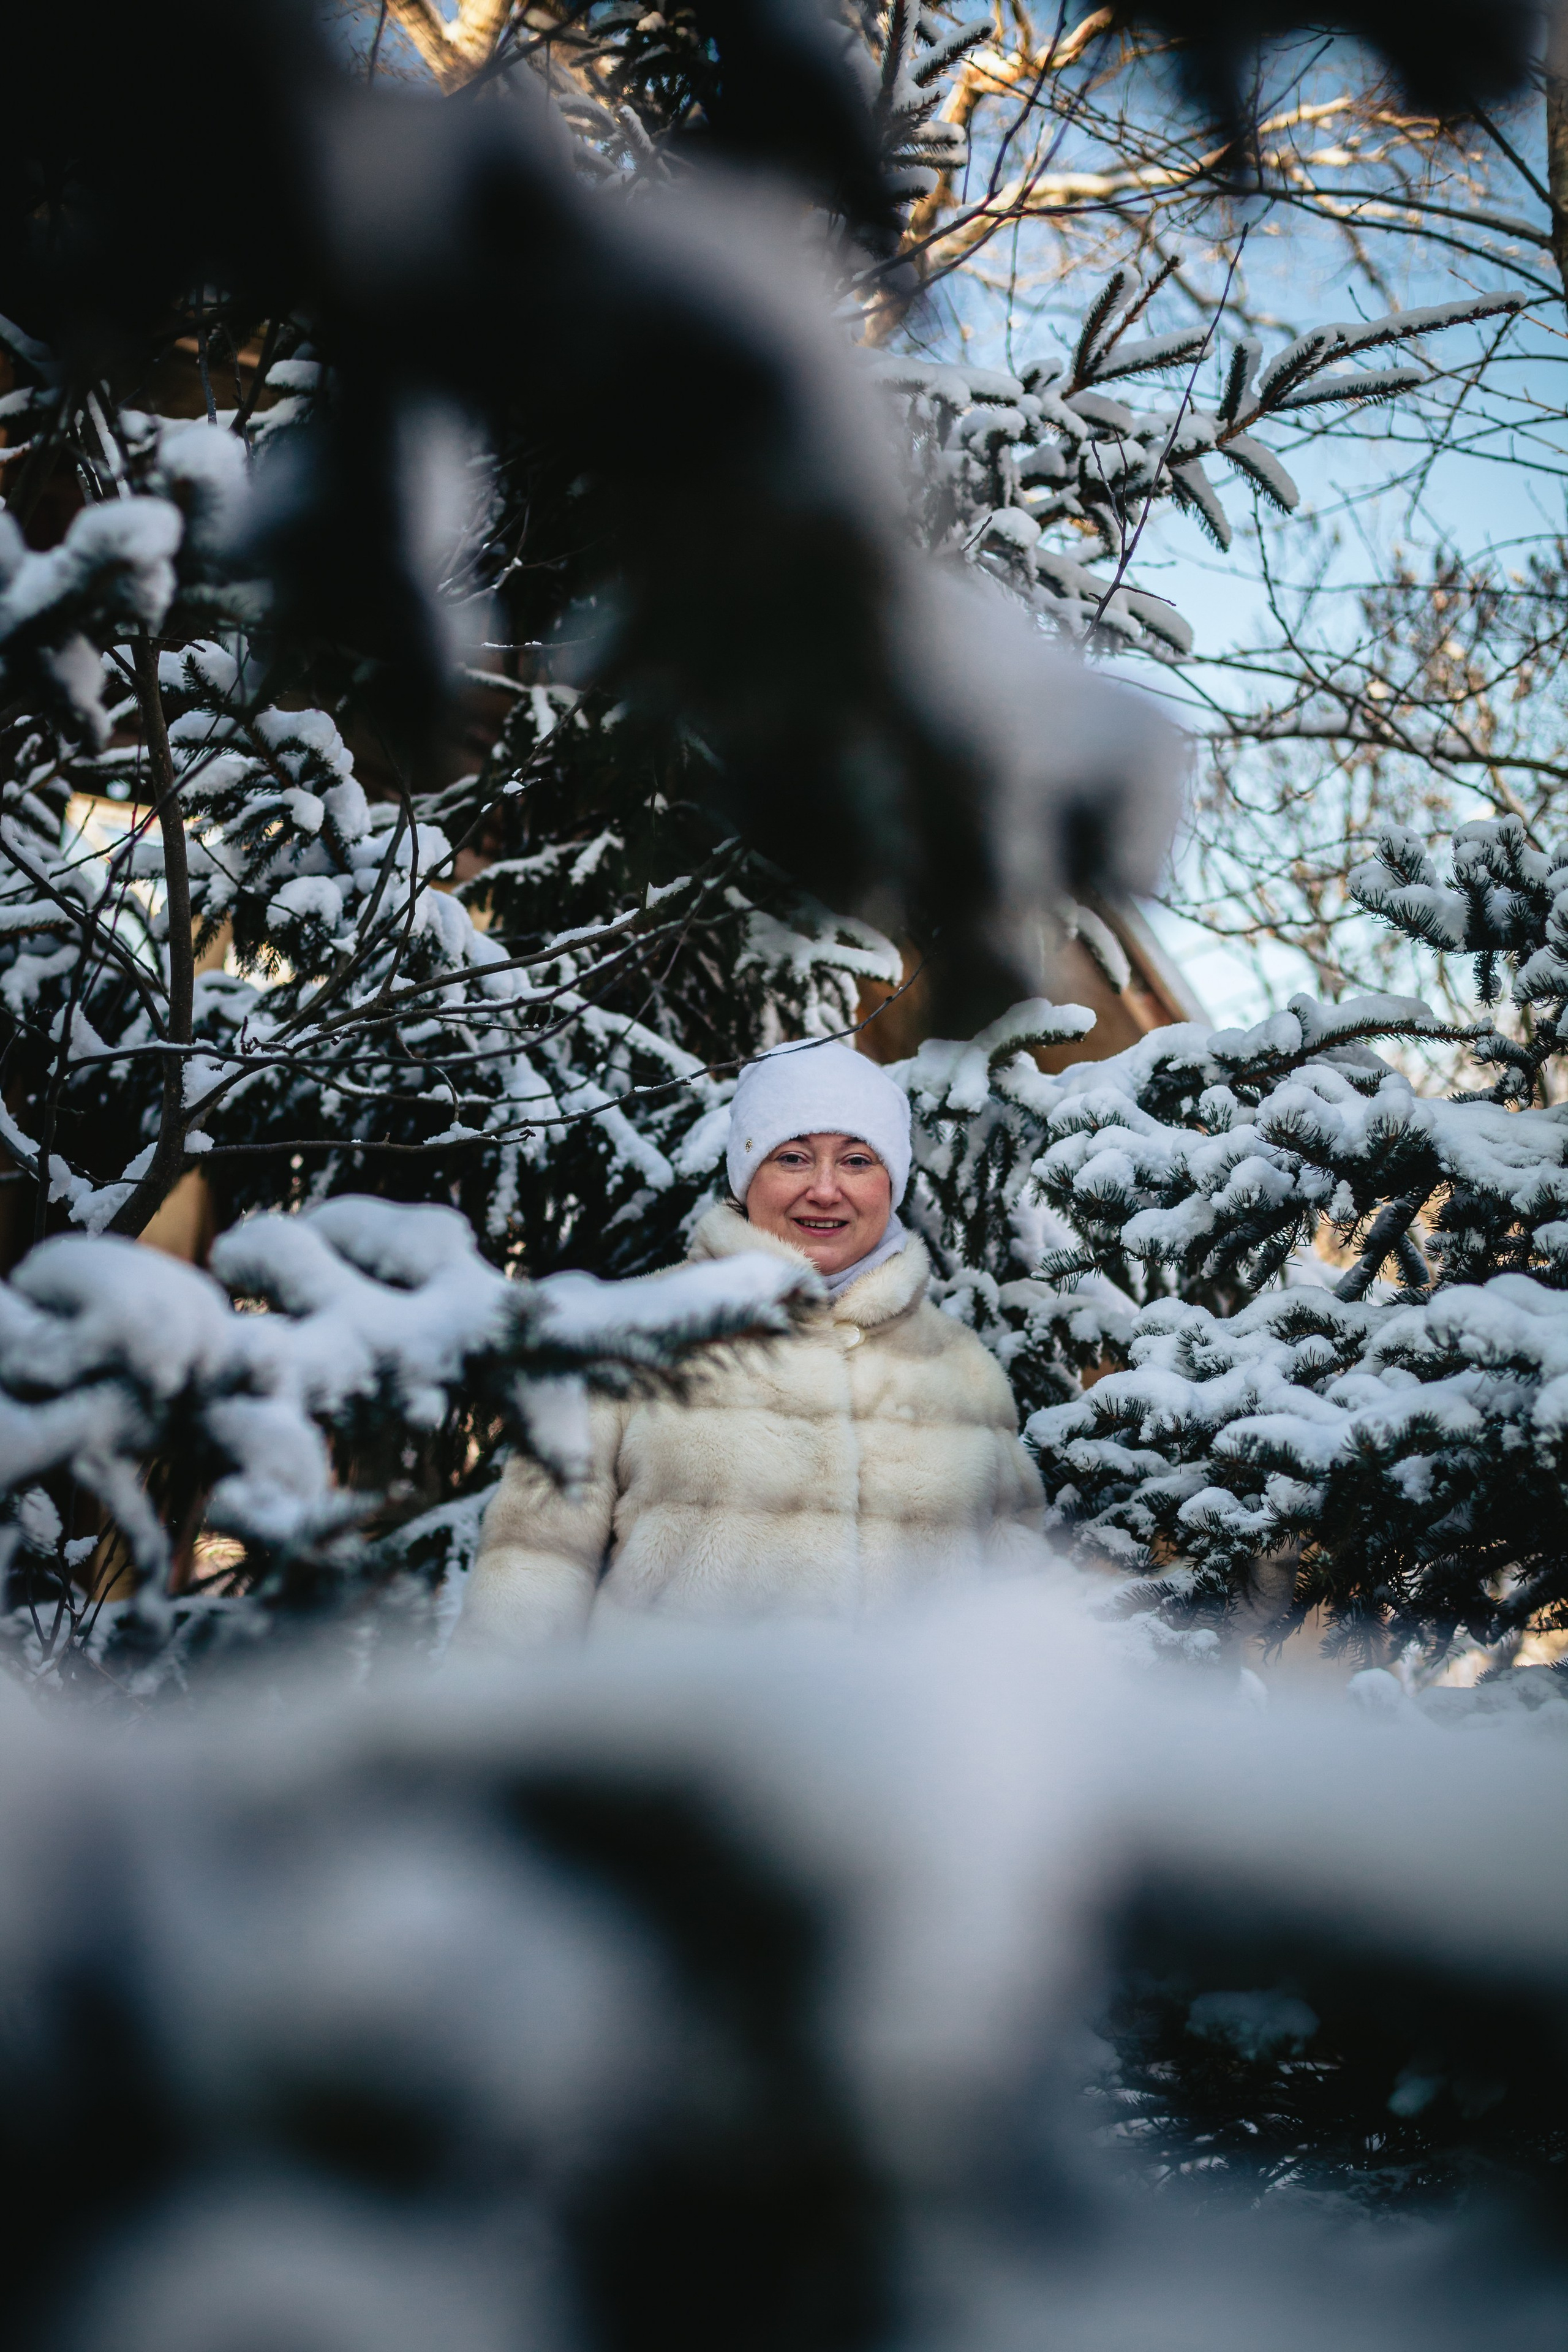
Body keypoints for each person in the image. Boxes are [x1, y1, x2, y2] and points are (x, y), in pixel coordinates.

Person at [456, 1039, 1046, 1649]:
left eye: (856, 1161)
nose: (824, 1189)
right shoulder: (628, 1338)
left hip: (900, 1746)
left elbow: (1020, 1617)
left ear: (891, 1182)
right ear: (746, 1173)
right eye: (791, 1158)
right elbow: (527, 1585)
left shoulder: (962, 1368)